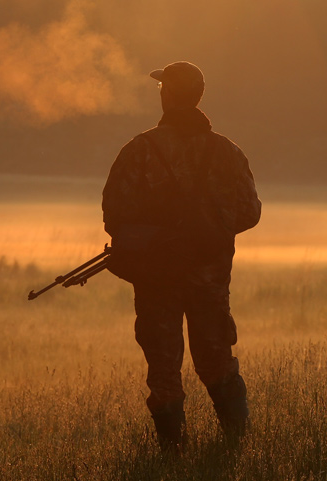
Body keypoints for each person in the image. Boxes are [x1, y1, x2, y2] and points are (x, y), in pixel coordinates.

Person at [101, 61, 261, 451]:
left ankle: (173, 457)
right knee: (217, 361)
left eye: (162, 88)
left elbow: (114, 215)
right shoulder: (228, 151)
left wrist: (156, 236)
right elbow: (249, 212)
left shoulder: (140, 150)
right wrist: (208, 231)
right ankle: (237, 449)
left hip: (157, 279)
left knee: (164, 371)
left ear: (167, 95)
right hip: (209, 277)